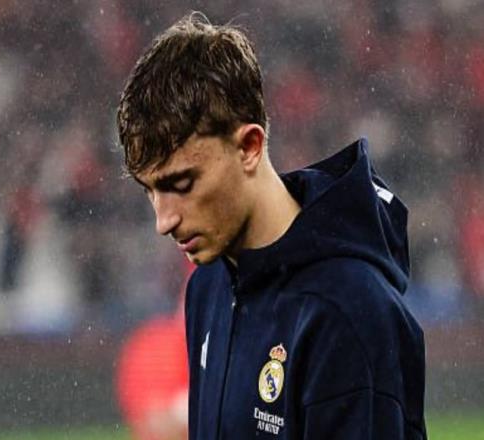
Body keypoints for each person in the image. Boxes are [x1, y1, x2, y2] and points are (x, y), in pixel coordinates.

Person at [117, 13, 427, 440]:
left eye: (182, 184)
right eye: (150, 191)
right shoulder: (207, 288)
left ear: (249, 146)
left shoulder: (349, 311)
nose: (163, 220)